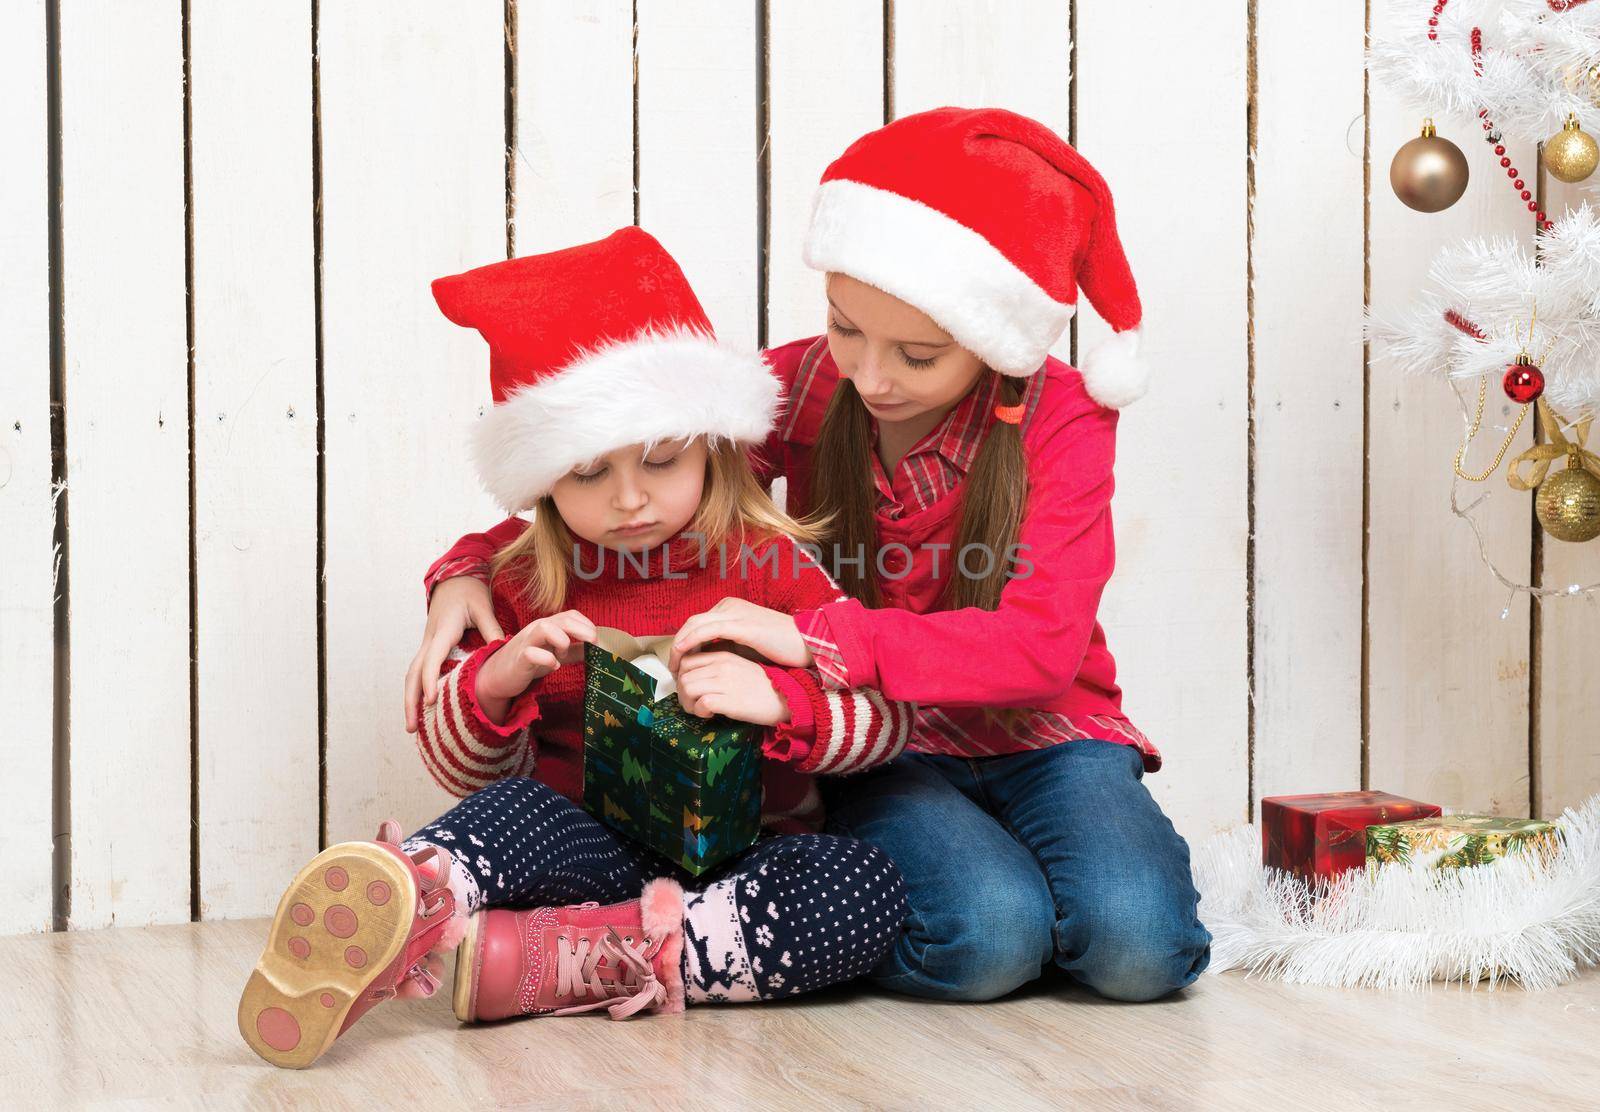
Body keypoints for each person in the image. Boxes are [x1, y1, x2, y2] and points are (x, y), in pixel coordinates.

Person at [411, 108, 1212, 1007]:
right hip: (882, 746)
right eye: (844, 328)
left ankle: (1037, 896)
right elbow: (640, 484)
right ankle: (994, 908)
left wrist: (822, 645)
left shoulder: (1063, 422)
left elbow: (1039, 649)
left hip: (1045, 734)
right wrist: (473, 565)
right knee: (986, 941)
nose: (871, 375)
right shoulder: (802, 386)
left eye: (917, 352)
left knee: (1140, 948)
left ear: (997, 335)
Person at [240, 227, 911, 1070]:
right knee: (512, 814)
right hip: (590, 849)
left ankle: (575, 961)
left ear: (711, 443)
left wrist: (787, 701)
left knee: (865, 889)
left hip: (749, 863)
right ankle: (411, 900)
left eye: (662, 460)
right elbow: (464, 771)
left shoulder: (771, 565)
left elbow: (890, 718)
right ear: (544, 479)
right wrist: (498, 680)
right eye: (588, 474)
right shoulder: (522, 581)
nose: (630, 498)